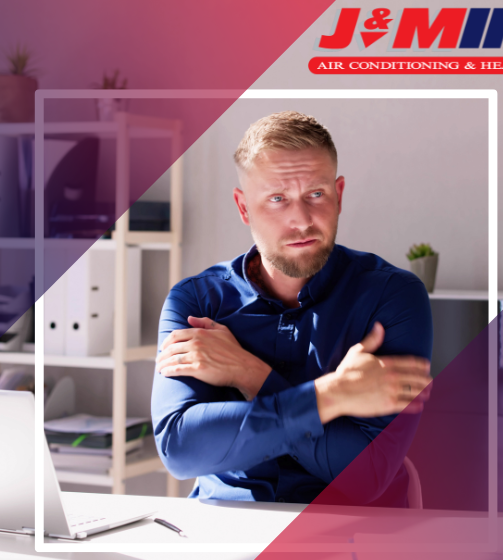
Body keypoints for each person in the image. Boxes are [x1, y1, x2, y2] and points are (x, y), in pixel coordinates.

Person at [151, 111, 433, 505]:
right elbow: (182, 449)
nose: (300, 220)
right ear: (244, 207)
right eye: (277, 199)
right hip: (223, 528)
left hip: (351, 537)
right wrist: (332, 395)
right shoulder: (196, 302)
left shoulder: (392, 297)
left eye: (315, 194)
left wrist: (249, 374)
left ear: (338, 195)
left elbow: (366, 474)